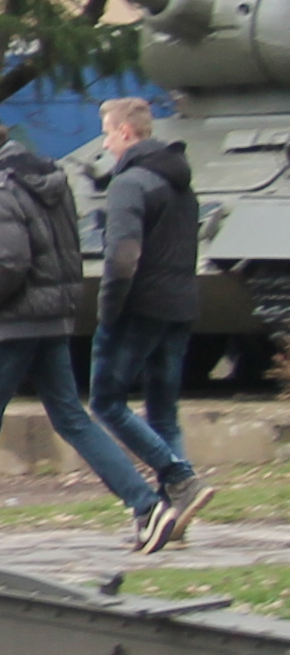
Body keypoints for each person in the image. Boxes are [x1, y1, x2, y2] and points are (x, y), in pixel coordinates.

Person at [0, 107, 167, 554]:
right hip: (52, 315)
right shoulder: (48, 174)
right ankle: (147, 506)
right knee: (71, 418)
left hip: (11, 321)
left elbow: (9, 261)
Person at [91, 96, 209, 546]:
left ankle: (179, 478)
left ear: (125, 132)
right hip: (180, 305)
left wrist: (108, 310)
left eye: (107, 133)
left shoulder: (129, 183)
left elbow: (122, 257)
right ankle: (173, 516)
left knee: (107, 402)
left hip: (137, 309)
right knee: (163, 411)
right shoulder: (181, 183)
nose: (105, 143)